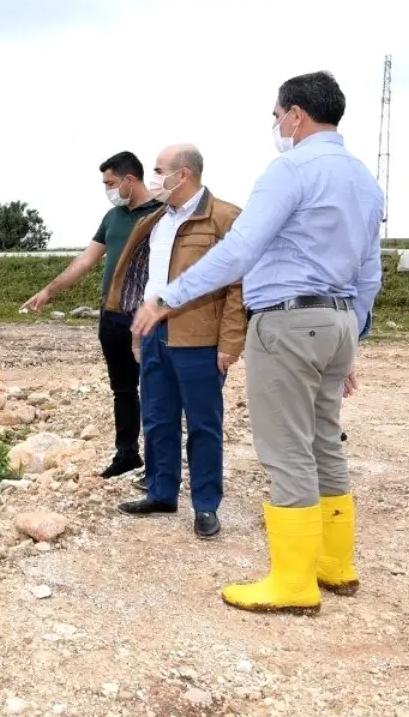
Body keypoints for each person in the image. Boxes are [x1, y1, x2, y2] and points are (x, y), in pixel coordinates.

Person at [132, 71, 383, 613]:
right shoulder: (365, 179)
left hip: (289, 323)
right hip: (337, 321)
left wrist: (167, 299)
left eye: (276, 116)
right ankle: (335, 566)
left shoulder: (289, 170)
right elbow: (369, 273)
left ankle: (293, 583)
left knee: (287, 449)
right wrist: (352, 337)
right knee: (323, 443)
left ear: (295, 114)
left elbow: (238, 253)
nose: (276, 125)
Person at [106, 144, 246, 538]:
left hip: (200, 338)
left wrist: (230, 342)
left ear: (183, 174)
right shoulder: (156, 220)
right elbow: (145, 281)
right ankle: (161, 492)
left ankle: (205, 506)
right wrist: (137, 330)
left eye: (158, 169)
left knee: (203, 423)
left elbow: (238, 285)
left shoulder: (224, 217)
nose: (154, 177)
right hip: (153, 335)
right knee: (157, 417)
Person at [22, 152, 162, 482]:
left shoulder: (161, 214)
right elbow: (86, 260)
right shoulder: (112, 217)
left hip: (148, 317)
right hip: (112, 316)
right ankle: (127, 454)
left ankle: (159, 466)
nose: (107, 190)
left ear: (130, 180)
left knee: (156, 390)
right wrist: (49, 290)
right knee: (123, 390)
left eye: (110, 183)